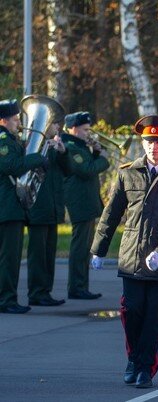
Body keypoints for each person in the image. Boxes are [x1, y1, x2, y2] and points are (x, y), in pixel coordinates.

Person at [90, 115, 158, 388]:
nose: (153, 146)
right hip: (132, 256)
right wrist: (99, 249)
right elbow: (111, 214)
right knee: (132, 311)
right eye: (148, 141)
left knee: (153, 315)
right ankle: (134, 359)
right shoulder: (128, 172)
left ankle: (145, 367)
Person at [0, 99, 47, 314]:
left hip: (12, 207)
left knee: (11, 257)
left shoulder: (11, 140)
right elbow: (13, 166)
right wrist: (37, 157)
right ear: (3, 121)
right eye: (16, 119)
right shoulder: (2, 141)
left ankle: (8, 298)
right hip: (7, 207)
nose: (19, 123)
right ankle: (6, 300)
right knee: (9, 258)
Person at [62, 111, 109, 299]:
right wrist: (103, 158)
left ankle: (82, 286)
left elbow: (89, 165)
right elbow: (86, 170)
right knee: (80, 247)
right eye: (85, 130)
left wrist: (96, 152)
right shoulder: (70, 147)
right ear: (73, 129)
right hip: (79, 201)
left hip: (86, 200)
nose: (88, 133)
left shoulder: (80, 146)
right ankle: (76, 287)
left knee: (85, 247)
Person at [27, 114, 70, 307]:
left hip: (52, 206)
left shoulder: (53, 147)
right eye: (54, 123)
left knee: (49, 252)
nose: (58, 126)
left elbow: (68, 171)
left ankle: (45, 291)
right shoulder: (34, 145)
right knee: (38, 254)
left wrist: (62, 152)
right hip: (38, 206)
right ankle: (36, 292)